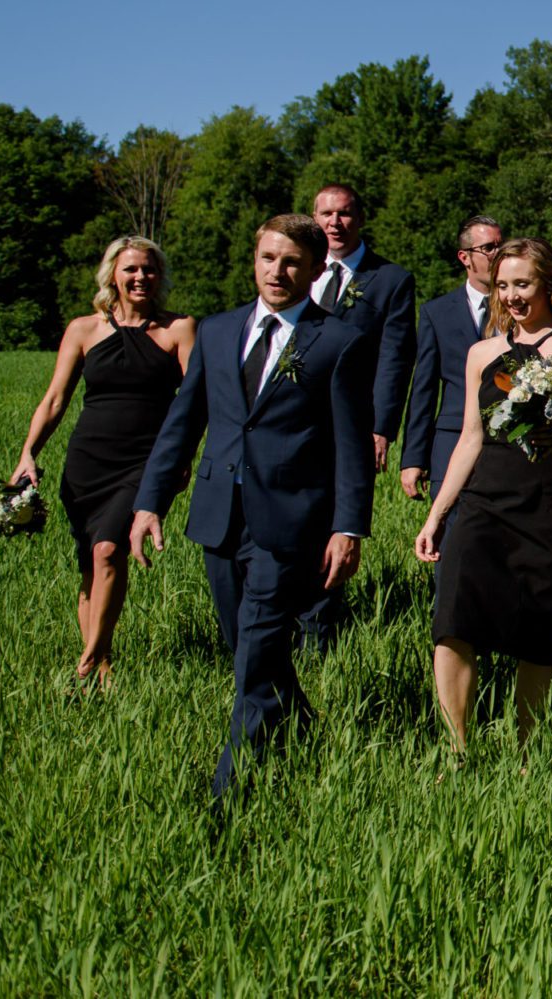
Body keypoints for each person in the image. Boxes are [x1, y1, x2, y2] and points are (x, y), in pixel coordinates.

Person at [129, 215, 373, 808]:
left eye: (291, 262)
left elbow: (350, 443)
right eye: (268, 258)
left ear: (316, 271)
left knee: (255, 651)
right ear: (254, 260)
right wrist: (149, 502)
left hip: (290, 522)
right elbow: (183, 424)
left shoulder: (338, 341)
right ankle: (305, 730)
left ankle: (226, 795)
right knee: (247, 643)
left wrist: (348, 527)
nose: (277, 271)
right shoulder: (216, 331)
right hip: (219, 515)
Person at [414, 238, 552, 753]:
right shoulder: (481, 353)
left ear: (547, 284)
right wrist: (437, 516)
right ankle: (457, 750)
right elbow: (469, 438)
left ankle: (527, 753)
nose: (513, 296)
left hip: (545, 501)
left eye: (523, 284)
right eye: (503, 285)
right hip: (483, 500)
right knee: (452, 618)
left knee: (536, 626)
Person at [12, 236, 194, 684]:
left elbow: (195, 403)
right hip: (87, 461)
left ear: (160, 275)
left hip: (147, 462)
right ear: (112, 272)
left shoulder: (179, 329)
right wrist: (28, 454)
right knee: (89, 562)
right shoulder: (83, 330)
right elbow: (55, 400)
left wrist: (183, 458)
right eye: (130, 269)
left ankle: (90, 660)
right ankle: (101, 663)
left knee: (110, 550)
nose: (140, 278)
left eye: (149, 269)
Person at [302, 183, 416, 647]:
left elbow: (394, 357)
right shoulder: (299, 270)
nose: (334, 222)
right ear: (314, 218)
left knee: (337, 517)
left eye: (345, 214)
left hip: (352, 422)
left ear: (360, 218)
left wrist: (381, 427)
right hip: (294, 417)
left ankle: (318, 628)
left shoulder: (390, 279)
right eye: (326, 214)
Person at [400, 214, 504, 502]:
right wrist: (413, 458)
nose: (498, 254)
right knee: (449, 539)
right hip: (452, 440)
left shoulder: (521, 310)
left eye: (501, 246)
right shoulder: (437, 313)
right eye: (488, 248)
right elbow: (424, 389)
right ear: (465, 257)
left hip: (509, 443)